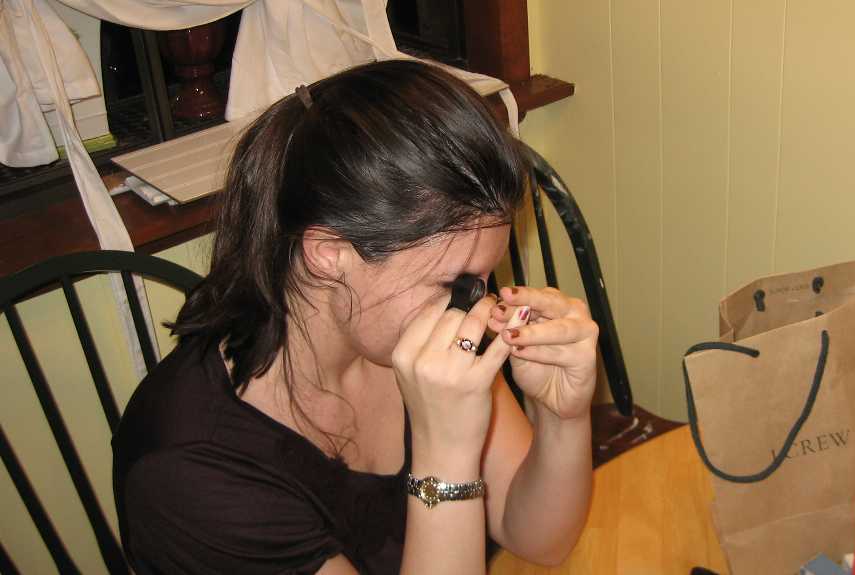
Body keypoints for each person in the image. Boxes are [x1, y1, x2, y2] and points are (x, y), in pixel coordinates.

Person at [112, 59, 597, 575]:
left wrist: (560, 417)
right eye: (455, 284)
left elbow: (542, 541)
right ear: (329, 254)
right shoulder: (190, 477)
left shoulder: (408, 334)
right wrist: (445, 457)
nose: (477, 307)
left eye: (478, 282)